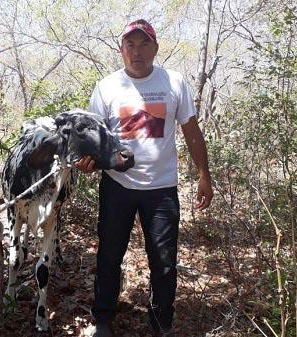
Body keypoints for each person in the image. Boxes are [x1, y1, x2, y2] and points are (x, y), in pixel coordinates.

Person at [76, 19, 213, 337]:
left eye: (143, 44)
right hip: (117, 186)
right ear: (121, 50)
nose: (137, 52)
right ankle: (103, 320)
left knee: (163, 261)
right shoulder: (106, 87)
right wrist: (89, 163)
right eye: (130, 45)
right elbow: (95, 140)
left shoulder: (174, 82)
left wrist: (204, 175)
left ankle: (161, 322)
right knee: (109, 255)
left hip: (162, 188)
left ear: (155, 47)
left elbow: (191, 133)